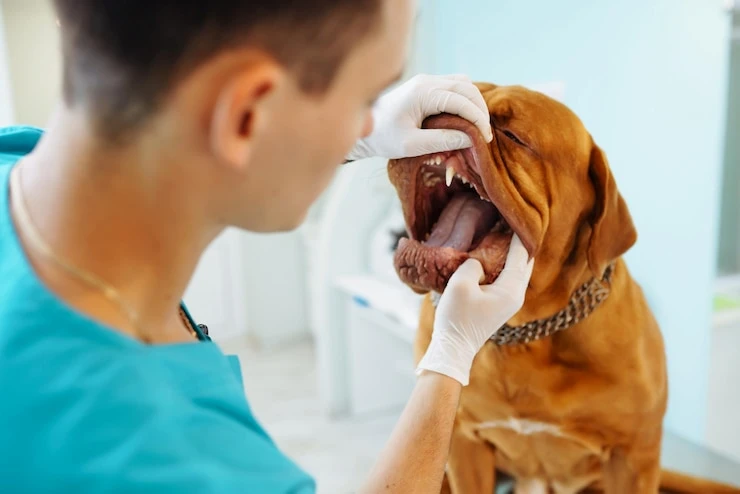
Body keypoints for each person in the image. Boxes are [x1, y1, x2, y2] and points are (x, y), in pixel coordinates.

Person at [0, 0, 534, 492]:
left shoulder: (22, 161)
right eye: (365, 99)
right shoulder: (174, 464)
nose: (373, 122)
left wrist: (346, 136)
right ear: (247, 117)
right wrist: (450, 358)